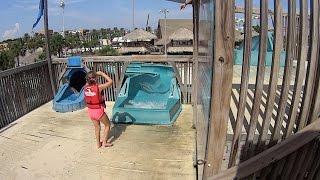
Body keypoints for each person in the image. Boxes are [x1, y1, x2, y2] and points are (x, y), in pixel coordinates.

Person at [84, 70, 113, 148]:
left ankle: (98, 144)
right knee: (107, 125)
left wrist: (93, 75)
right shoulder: (99, 87)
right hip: (98, 111)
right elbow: (110, 81)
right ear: (95, 78)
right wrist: (102, 73)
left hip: (90, 111)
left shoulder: (85, 87)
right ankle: (104, 143)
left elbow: (89, 80)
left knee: (97, 127)